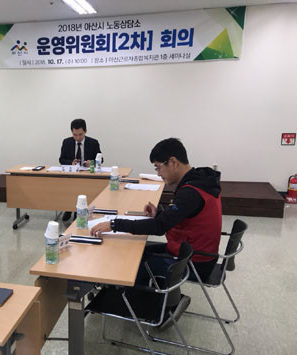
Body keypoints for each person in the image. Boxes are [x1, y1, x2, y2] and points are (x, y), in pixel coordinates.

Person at [90, 138, 222, 329]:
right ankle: (145, 297)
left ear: (173, 162)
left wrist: (114, 224)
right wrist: (160, 213)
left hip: (195, 262)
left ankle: (158, 311)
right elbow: (180, 217)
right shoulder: (199, 181)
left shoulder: (191, 192)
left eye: (158, 167)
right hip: (195, 251)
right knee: (138, 250)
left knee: (132, 264)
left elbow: (159, 228)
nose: (158, 173)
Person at [59, 118, 102, 221]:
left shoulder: (93, 143)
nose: (78, 138)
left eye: (80, 134)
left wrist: (92, 162)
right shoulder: (67, 142)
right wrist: (71, 162)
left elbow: (101, 159)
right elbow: (61, 159)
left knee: (82, 190)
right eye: (75, 135)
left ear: (85, 131)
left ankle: (77, 212)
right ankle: (69, 209)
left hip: (87, 176)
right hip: (71, 176)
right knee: (69, 189)